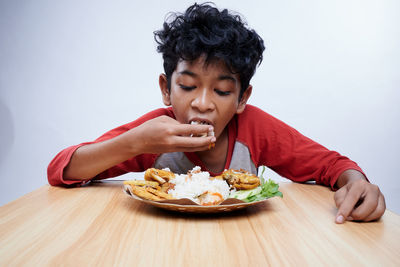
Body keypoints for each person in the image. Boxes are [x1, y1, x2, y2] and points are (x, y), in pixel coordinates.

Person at [47, 3, 385, 223]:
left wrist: (356, 183)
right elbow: (62, 169)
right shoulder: (153, 133)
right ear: (166, 89)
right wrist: (134, 143)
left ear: (241, 98)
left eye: (222, 91)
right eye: (188, 86)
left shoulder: (254, 128)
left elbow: (330, 165)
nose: (203, 103)